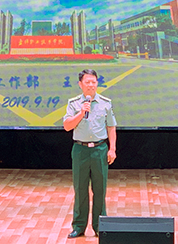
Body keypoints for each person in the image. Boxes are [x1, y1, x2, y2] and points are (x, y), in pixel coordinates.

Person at [63, 69, 117, 238]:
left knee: (100, 189)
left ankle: (100, 226)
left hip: (100, 149)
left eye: (93, 82)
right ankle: (79, 226)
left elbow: (111, 127)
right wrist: (81, 112)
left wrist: (112, 149)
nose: (91, 85)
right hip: (80, 150)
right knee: (80, 189)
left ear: (97, 83)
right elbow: (67, 126)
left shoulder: (105, 103)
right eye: (87, 82)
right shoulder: (74, 104)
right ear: (80, 84)